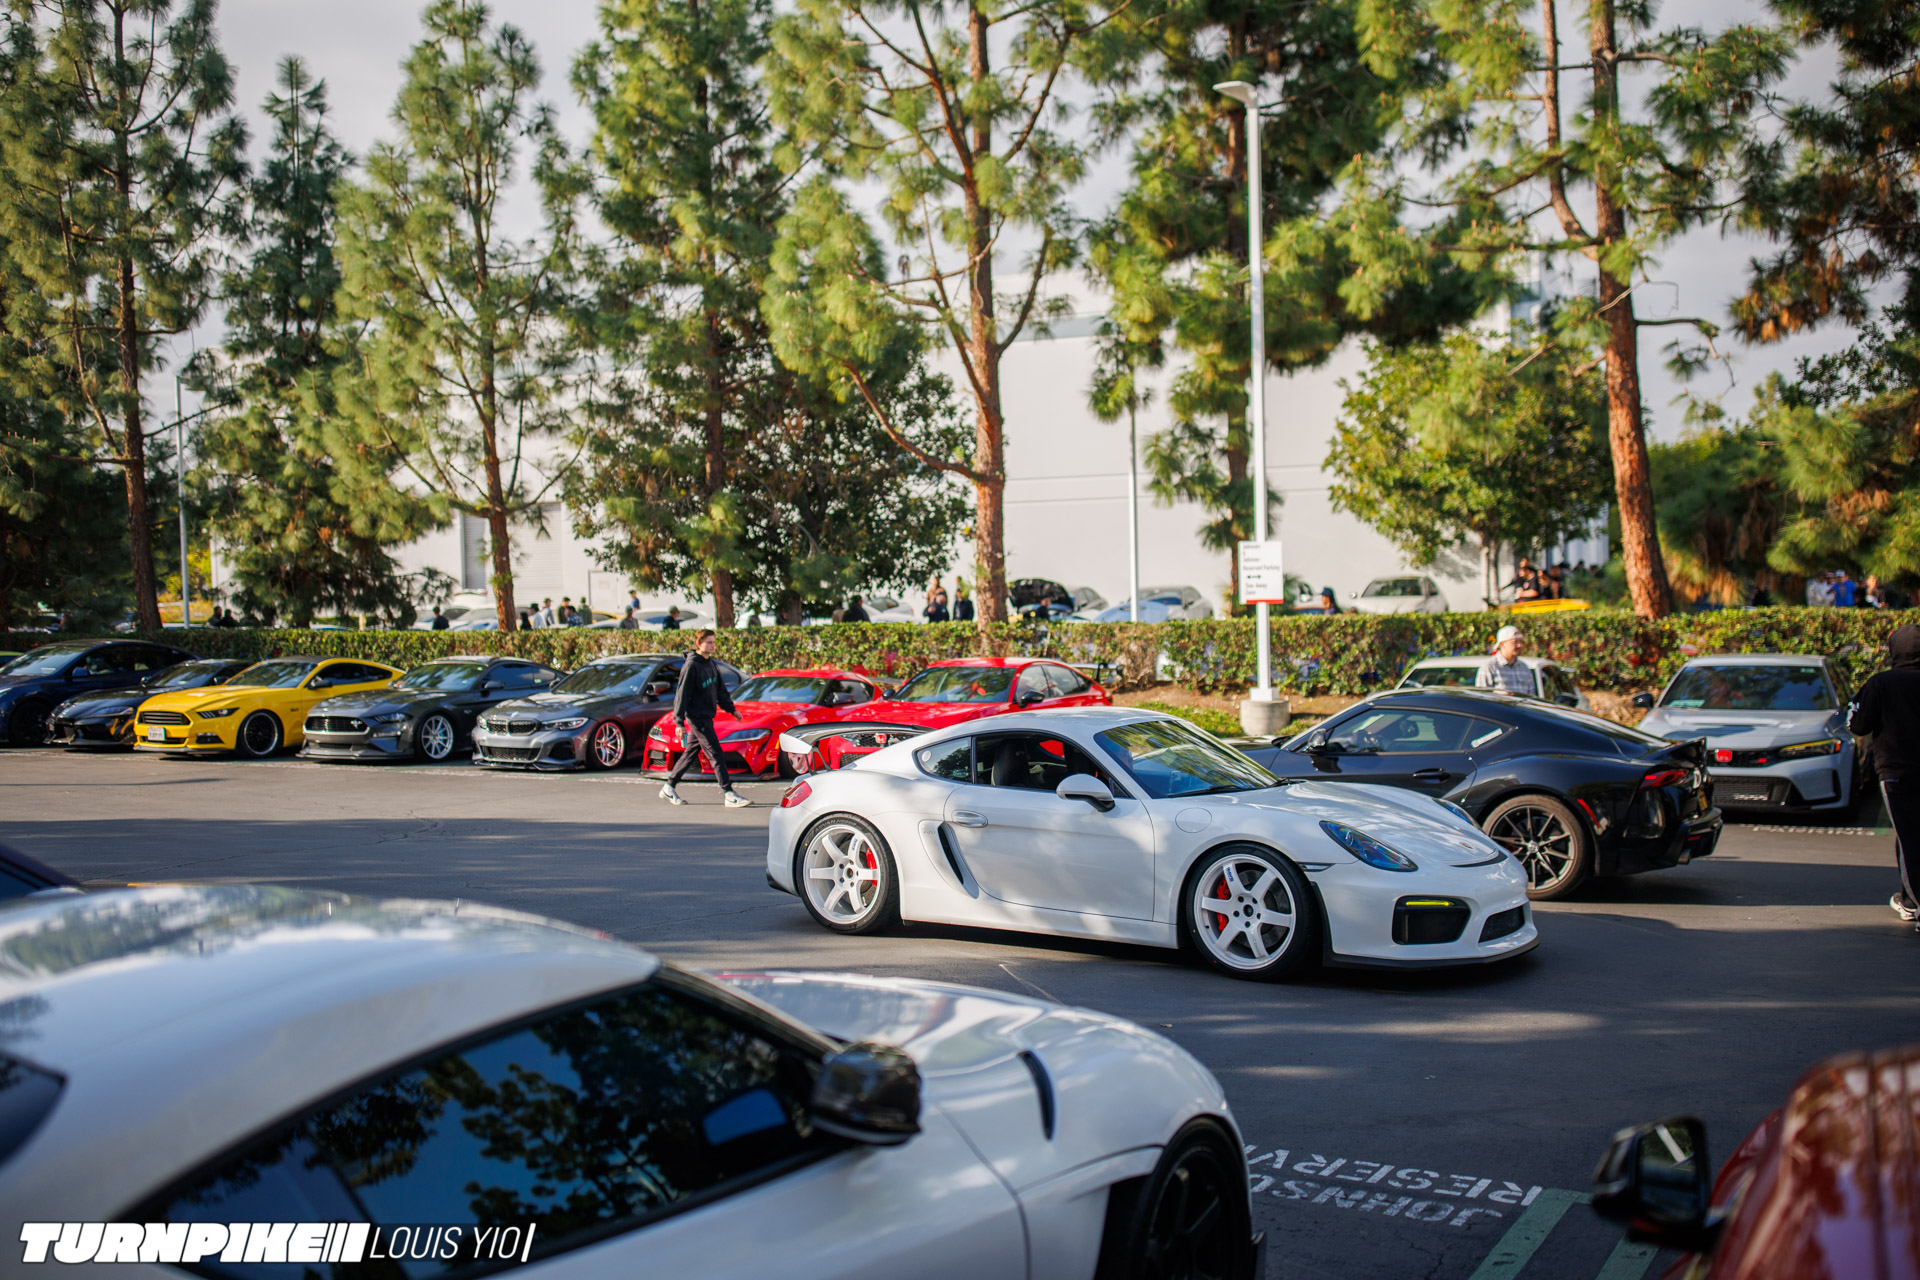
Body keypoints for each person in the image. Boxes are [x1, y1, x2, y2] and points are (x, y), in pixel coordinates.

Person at [1847, 624, 1920, 929]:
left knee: (1909, 837)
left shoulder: (1881, 683)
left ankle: (1915, 903)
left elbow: (1857, 724)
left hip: (1896, 771)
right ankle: (1908, 899)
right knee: (1911, 837)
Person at [661, 629, 750, 808]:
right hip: (697, 718)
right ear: (698, 643)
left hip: (707, 716)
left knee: (690, 753)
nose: (712, 645)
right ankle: (728, 793)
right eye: (709, 642)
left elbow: (720, 691)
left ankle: (669, 787)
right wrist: (679, 722)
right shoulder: (691, 665)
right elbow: (682, 695)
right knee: (716, 754)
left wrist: (731, 710)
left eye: (714, 642)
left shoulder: (711, 664)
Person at [1477, 625, 1533, 695]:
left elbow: (1531, 696)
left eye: (1520, 641)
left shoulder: (1524, 668)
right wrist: (1499, 696)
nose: (1519, 645)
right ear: (1502, 644)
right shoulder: (1489, 667)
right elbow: (1481, 695)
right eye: (1515, 642)